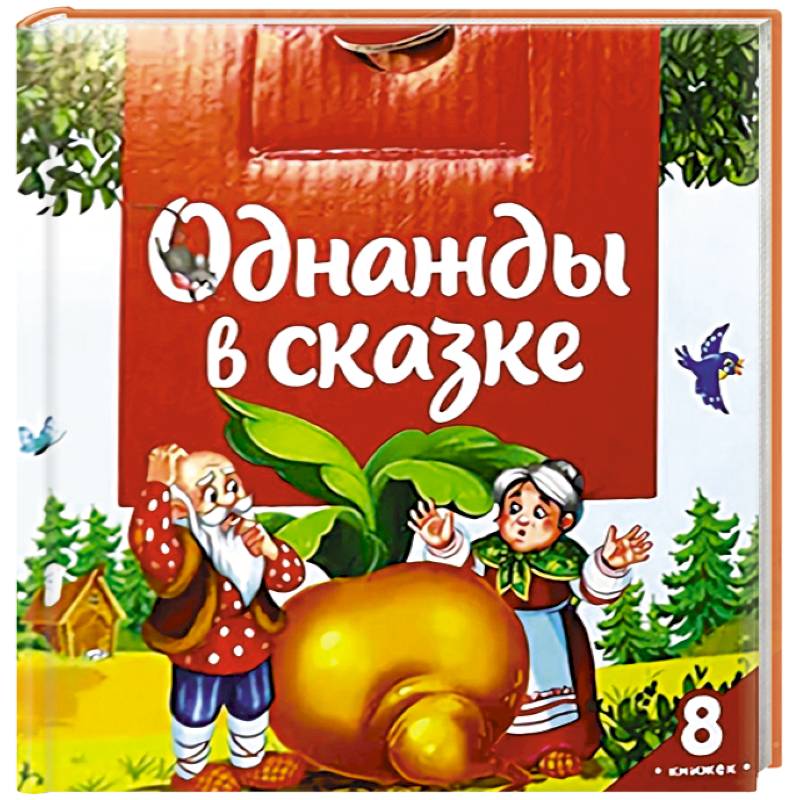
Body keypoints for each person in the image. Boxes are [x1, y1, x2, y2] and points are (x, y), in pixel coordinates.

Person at [409, 459, 651, 779]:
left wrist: (610, 564)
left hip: (549, 643)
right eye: (514, 508)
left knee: (556, 702)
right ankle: (489, 750)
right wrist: (442, 543)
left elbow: (593, 590)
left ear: (564, 522)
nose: (523, 520)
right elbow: (459, 574)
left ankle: (558, 746)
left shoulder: (565, 560)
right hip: (493, 644)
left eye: (539, 513)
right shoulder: (489, 553)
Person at [129, 444, 308, 791]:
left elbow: (289, 578)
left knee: (253, 706)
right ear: (182, 508)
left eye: (232, 486)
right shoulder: (184, 550)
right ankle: (191, 772)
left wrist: (270, 550)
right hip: (201, 654)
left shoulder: (249, 537)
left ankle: (250, 763)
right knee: (195, 714)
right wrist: (156, 488)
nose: (228, 501)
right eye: (211, 495)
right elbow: (151, 551)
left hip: (254, 648)